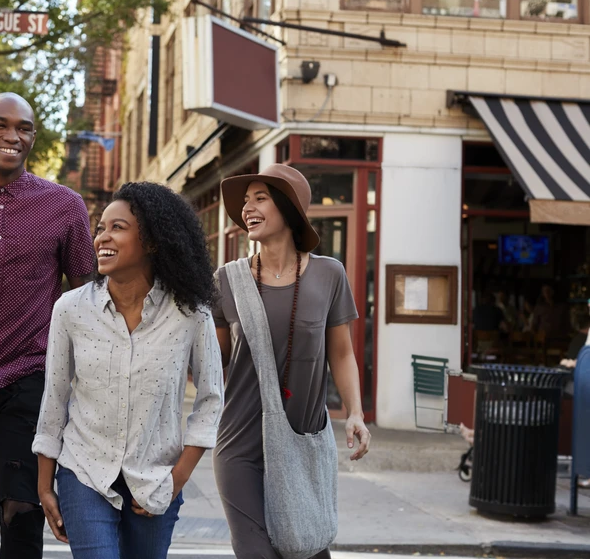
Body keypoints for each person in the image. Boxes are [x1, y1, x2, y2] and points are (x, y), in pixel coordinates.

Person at [0, 93, 95, 559]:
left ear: (32, 137)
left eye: (23, 127)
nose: (12, 135)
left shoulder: (64, 206)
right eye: (0, 125)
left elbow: (84, 293)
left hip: (30, 378)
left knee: (22, 510)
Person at [32, 182, 224, 559]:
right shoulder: (70, 309)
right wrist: (44, 486)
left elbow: (211, 401)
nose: (102, 236)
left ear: (151, 241)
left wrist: (176, 480)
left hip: (155, 478)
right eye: (100, 228)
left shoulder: (190, 314)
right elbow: (54, 399)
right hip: (83, 471)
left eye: (117, 227)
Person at [212, 164, 371, 559]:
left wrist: (355, 413)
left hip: (302, 442)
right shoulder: (227, 281)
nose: (248, 207)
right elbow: (213, 361)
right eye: (246, 200)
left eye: (260, 198)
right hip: (241, 445)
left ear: (289, 208)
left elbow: (341, 352)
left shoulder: (328, 275)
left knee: (307, 551)